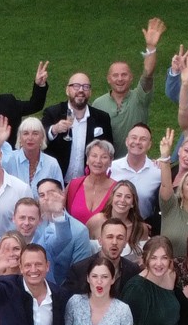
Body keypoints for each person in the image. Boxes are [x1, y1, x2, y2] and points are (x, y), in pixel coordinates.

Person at [91, 20, 164, 153]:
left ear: (131, 77)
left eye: (124, 75)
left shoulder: (140, 97)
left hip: (135, 160)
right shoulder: (98, 104)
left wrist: (151, 47)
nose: (120, 79)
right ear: (108, 79)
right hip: (107, 163)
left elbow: (148, 73)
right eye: (115, 75)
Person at [43, 72, 117, 183]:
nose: (81, 90)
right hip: (57, 181)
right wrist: (54, 130)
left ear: (90, 92)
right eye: (76, 86)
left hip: (87, 183)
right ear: (67, 90)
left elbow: (109, 150)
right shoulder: (53, 113)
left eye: (85, 87)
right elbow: (40, 140)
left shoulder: (102, 118)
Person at [65, 139, 118, 225]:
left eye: (104, 157)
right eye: (94, 156)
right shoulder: (74, 185)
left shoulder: (117, 189)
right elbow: (61, 214)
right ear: (87, 160)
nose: (98, 161)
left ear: (110, 162)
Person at [2, 116, 63, 187]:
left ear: (42, 138)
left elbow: (59, 191)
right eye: (26, 133)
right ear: (19, 138)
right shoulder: (9, 159)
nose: (30, 138)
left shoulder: (52, 164)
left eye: (35, 133)